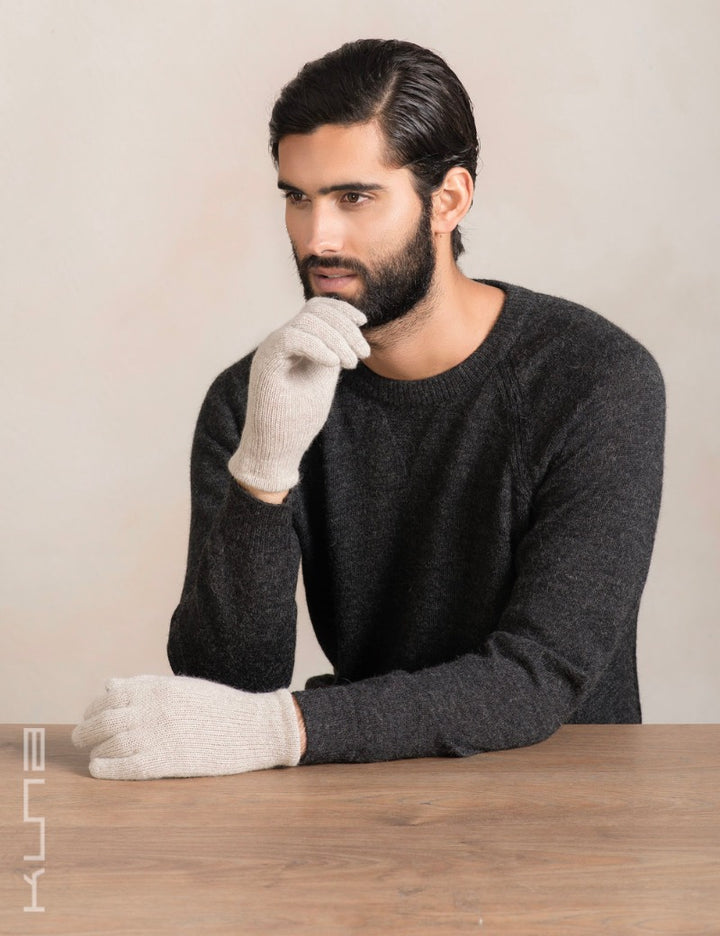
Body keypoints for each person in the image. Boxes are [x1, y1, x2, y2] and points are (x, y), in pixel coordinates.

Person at [72, 39, 665, 780]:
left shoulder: (593, 379)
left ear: (448, 200)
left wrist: (285, 728)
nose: (317, 237)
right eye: (297, 197)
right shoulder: (258, 395)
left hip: (568, 800)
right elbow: (223, 692)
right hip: (363, 795)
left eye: (353, 198)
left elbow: (538, 676)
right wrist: (264, 469)